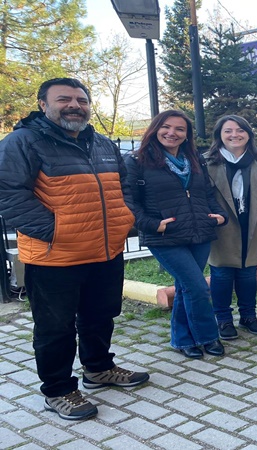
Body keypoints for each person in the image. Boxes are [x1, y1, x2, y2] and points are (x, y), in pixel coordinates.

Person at [0, 78, 149, 421]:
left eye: (81, 100)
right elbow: (9, 194)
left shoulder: (100, 142)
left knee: (100, 315)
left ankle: (98, 369)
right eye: (64, 99)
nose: (74, 105)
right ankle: (58, 389)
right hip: (56, 255)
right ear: (42, 104)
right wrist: (56, 230)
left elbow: (124, 184)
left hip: (105, 250)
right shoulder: (22, 142)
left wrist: (123, 218)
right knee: (56, 328)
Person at [125, 110, 227, 359]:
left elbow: (207, 193)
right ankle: (207, 336)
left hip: (199, 232)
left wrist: (220, 215)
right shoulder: (137, 160)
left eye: (180, 129)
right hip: (165, 236)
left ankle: (181, 339)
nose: (172, 133)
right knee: (198, 287)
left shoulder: (194, 159)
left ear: (186, 135)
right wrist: (151, 224)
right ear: (155, 129)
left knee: (185, 288)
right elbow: (128, 201)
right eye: (166, 127)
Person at [206, 115, 257, 340]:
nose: (234, 135)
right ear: (219, 135)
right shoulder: (208, 162)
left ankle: (249, 316)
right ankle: (222, 319)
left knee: (248, 273)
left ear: (248, 134)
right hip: (222, 228)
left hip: (254, 225)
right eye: (228, 131)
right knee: (221, 274)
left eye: (240, 130)